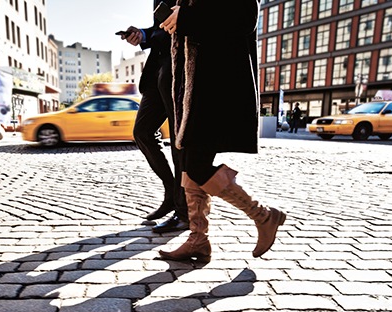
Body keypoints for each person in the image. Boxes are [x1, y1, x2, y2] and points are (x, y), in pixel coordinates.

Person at [156, 0, 287, 262]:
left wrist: (190, 16)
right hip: (192, 86)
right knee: (189, 161)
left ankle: (263, 215)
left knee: (195, 164)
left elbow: (245, 15)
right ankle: (198, 240)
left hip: (217, 83)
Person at [120, 0, 189, 234]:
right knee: (142, 132)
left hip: (181, 67)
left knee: (180, 142)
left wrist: (187, 15)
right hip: (158, 71)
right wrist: (143, 35)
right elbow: (161, 28)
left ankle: (184, 211)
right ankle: (172, 192)